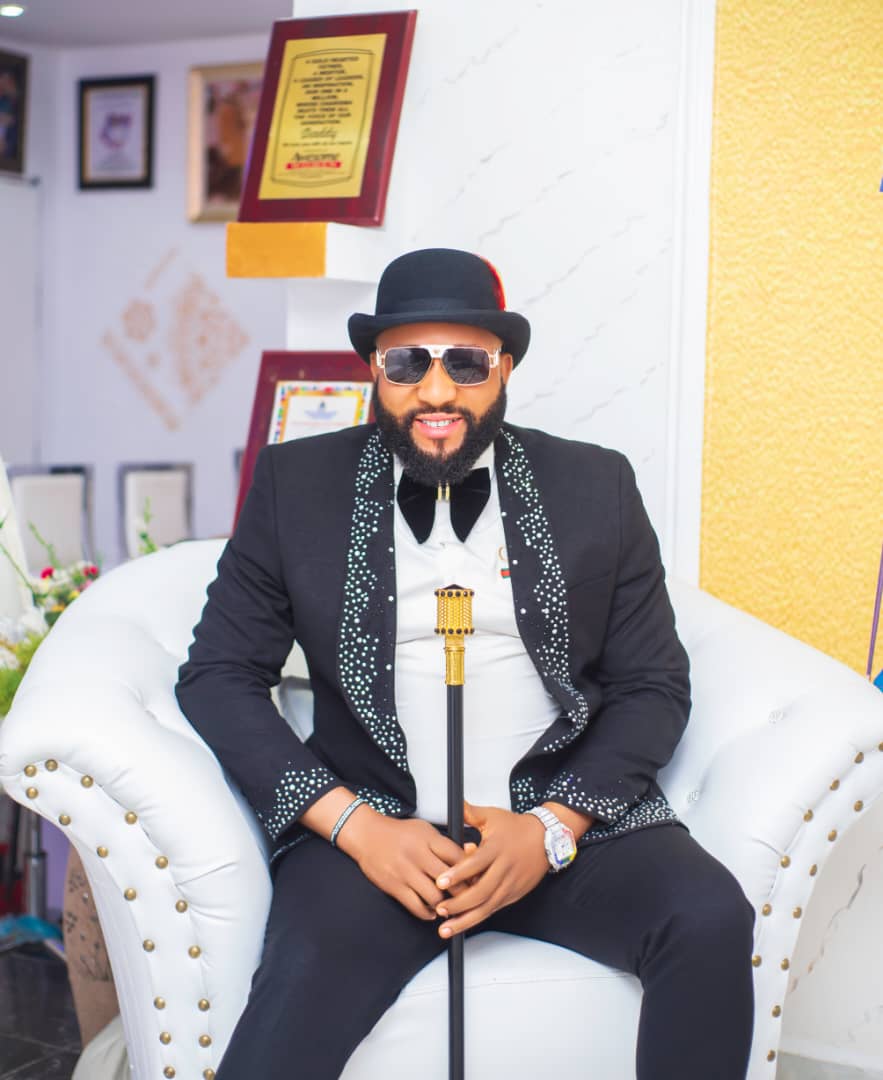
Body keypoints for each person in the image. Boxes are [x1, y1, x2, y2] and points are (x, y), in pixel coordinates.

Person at [176, 248, 755, 1079]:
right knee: (292, 1007)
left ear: (504, 367)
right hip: (374, 836)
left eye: (466, 363)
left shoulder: (595, 484)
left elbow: (651, 684)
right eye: (407, 363)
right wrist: (356, 828)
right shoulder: (293, 484)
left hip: (565, 832)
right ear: (374, 370)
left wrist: (550, 829)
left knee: (707, 916)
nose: (437, 391)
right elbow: (219, 675)